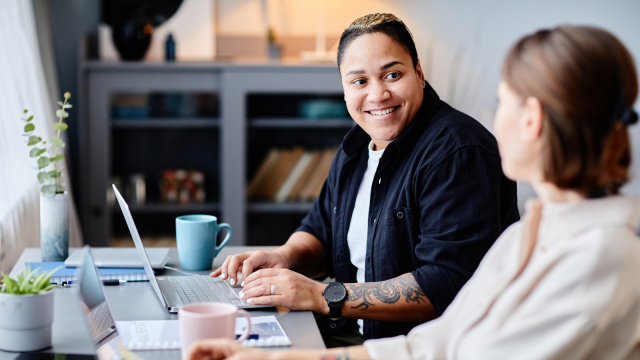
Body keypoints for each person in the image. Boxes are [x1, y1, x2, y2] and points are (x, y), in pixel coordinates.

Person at [187, 24, 640, 359]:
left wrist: (321, 300)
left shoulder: (601, 254)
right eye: (359, 81)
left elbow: (461, 335)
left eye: (502, 101)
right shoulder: (530, 236)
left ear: (532, 119)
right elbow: (435, 344)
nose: (489, 114)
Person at [212, 13, 519, 346]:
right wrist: (285, 256)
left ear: (418, 72)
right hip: (348, 337)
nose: (378, 95)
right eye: (359, 81)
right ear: (344, 89)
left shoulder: (457, 152)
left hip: (411, 350)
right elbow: (321, 231)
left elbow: (445, 284)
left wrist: (320, 295)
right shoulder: (356, 148)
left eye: (392, 74)